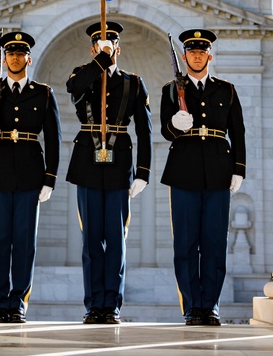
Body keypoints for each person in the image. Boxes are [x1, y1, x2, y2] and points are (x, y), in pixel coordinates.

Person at [0, 31, 61, 323]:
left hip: (30, 175)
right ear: (5, 58)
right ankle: (0, 302)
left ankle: (18, 301)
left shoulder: (44, 92)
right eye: (10, 53)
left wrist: (49, 179)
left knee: (24, 242)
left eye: (20, 54)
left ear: (29, 59)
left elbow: (54, 140)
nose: (15, 58)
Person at [66, 21, 151, 324]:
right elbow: (73, 89)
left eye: (110, 44)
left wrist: (143, 172)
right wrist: (99, 62)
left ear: (119, 47)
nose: (105, 48)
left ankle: (111, 304)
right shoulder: (82, 75)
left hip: (119, 166)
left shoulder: (132, 82)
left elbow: (144, 128)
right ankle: (93, 305)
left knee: (115, 239)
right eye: (99, 45)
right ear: (92, 49)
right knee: (91, 241)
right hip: (87, 164)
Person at [160, 29, 246, 326]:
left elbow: (238, 132)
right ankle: (192, 306)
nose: (197, 55)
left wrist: (239, 169)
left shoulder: (226, 90)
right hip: (184, 172)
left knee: (213, 244)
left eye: (202, 51)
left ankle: (210, 305)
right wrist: (175, 123)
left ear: (210, 55)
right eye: (191, 51)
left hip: (219, 171)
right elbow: (164, 130)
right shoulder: (172, 89)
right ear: (184, 57)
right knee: (185, 244)